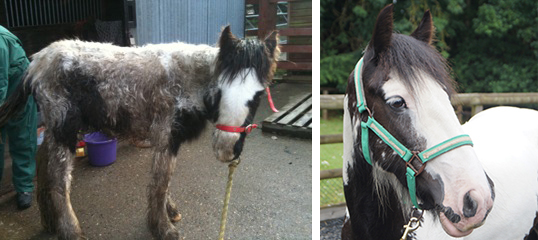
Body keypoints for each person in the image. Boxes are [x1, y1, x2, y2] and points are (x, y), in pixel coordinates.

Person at [0, 25, 37, 210]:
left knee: (22, 138)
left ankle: (24, 188)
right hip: (4, 84)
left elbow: (1, 83)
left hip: (16, 88)